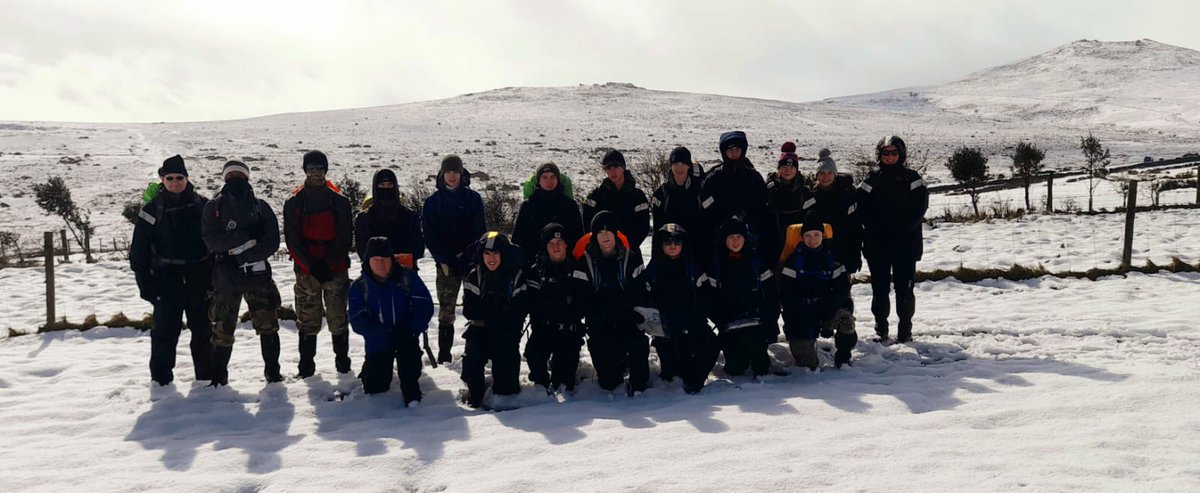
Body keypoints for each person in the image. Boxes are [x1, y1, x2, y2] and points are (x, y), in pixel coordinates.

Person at [129, 155, 213, 386]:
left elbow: (214, 244)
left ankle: (206, 380)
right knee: (165, 331)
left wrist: (214, 278)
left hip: (199, 276)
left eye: (180, 177)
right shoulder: (151, 210)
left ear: (187, 178)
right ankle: (161, 381)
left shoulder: (203, 205)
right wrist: (145, 285)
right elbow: (139, 251)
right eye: (170, 178)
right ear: (162, 179)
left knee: (203, 330)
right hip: (165, 278)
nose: (175, 182)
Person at [201, 160, 283, 385]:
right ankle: (219, 377)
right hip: (226, 278)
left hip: (258, 276)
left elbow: (272, 240)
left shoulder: (260, 206)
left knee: (268, 325)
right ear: (224, 178)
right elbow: (211, 240)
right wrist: (246, 238)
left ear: (247, 177)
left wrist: (242, 254)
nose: (235, 178)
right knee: (222, 328)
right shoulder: (213, 207)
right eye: (231, 175)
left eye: (240, 174)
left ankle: (273, 373)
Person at [283, 150, 354, 378]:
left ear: (326, 170)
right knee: (307, 321)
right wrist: (311, 266)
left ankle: (343, 365)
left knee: (338, 318)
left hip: (335, 269)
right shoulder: (294, 202)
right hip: (306, 272)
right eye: (311, 168)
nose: (315, 173)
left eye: (319, 168)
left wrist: (330, 264)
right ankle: (306, 369)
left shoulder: (339, 201)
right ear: (305, 170)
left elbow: (345, 237)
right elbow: (292, 240)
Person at [858, 135, 928, 343]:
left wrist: (901, 230)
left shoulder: (913, 179)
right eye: (885, 153)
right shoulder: (870, 180)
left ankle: (905, 330)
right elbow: (861, 208)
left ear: (901, 154)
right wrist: (875, 229)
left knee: (904, 290)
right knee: (879, 289)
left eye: (893, 153)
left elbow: (919, 209)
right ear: (879, 155)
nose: (889, 157)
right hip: (877, 244)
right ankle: (881, 328)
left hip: (905, 244)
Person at [349, 237, 435, 406]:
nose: (381, 264)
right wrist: (382, 332)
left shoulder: (407, 277)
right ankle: (371, 368)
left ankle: (412, 396)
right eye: (376, 260)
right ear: (368, 261)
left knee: (410, 377)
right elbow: (357, 320)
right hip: (378, 341)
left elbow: (424, 305)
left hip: (406, 335)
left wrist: (411, 329)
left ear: (392, 259)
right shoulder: (359, 286)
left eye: (385, 259)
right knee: (376, 387)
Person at [634, 223, 719, 394]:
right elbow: (645, 301)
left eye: (677, 242)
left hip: (691, 325)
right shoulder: (653, 270)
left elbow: (706, 298)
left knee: (712, 343)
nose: (672, 246)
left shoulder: (693, 268)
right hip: (666, 330)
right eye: (668, 242)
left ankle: (695, 383)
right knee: (672, 371)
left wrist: (697, 319)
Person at [573, 211, 649, 396]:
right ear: (594, 236)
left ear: (615, 233)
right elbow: (581, 298)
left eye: (609, 231)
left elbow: (640, 292)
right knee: (608, 382)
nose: (605, 236)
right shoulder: (584, 262)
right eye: (600, 232)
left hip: (627, 320)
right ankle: (617, 361)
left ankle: (632, 368)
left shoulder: (632, 258)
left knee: (641, 379)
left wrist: (632, 313)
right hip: (600, 324)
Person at [422, 154, 486, 363]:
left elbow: (479, 232)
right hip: (445, 265)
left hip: (470, 263)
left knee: (475, 308)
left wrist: (467, 257)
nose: (451, 176)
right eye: (447, 172)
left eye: (455, 172)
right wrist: (445, 259)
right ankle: (443, 355)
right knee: (446, 310)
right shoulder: (432, 202)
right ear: (442, 174)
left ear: (461, 174)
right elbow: (430, 235)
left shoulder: (473, 199)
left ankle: (475, 351)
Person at [702, 217, 778, 379]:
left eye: (739, 237)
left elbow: (772, 295)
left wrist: (769, 321)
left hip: (756, 321)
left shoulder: (757, 262)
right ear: (724, 240)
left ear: (746, 238)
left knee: (761, 368)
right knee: (735, 369)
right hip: (729, 323)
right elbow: (709, 300)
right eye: (731, 237)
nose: (735, 241)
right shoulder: (716, 266)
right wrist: (721, 321)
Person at [777, 215, 855, 370]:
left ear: (823, 236)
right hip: (802, 311)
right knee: (807, 363)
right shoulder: (792, 261)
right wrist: (804, 314)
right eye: (807, 235)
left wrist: (826, 310)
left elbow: (842, 289)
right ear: (802, 237)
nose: (812, 239)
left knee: (846, 321)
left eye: (816, 235)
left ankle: (843, 358)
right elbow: (787, 294)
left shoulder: (834, 258)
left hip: (828, 307)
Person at [460, 232, 529, 409]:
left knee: (507, 390)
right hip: (480, 332)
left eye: (496, 253)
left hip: (506, 333)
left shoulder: (516, 276)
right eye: (487, 254)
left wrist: (492, 312)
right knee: (472, 370)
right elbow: (470, 310)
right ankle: (474, 391)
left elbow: (519, 310)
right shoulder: (474, 276)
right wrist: (499, 310)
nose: (491, 258)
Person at [524, 223, 586, 395]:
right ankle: (541, 386)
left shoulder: (578, 268)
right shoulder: (536, 271)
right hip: (544, 327)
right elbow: (531, 302)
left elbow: (582, 302)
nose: (556, 247)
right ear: (545, 247)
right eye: (551, 243)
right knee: (534, 355)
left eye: (559, 242)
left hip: (568, 330)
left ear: (566, 244)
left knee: (564, 382)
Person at [699, 131, 768, 248]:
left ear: (743, 150)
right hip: (720, 231)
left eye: (737, 149)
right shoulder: (714, 177)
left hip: (749, 232)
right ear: (724, 152)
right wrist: (722, 221)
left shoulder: (753, 176)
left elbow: (762, 203)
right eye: (730, 150)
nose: (734, 153)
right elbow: (706, 204)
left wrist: (748, 221)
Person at [803, 148, 863, 276]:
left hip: (844, 251)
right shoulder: (811, 197)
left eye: (830, 173)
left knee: (842, 290)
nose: (826, 177)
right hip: (819, 252)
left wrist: (855, 254)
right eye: (822, 173)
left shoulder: (847, 194)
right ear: (817, 175)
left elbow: (856, 227)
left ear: (835, 174)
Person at [512, 162, 584, 264]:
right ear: (538, 181)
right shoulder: (528, 206)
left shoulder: (569, 205)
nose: (549, 181)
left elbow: (578, 237)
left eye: (552, 177)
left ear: (558, 180)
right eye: (544, 177)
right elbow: (518, 240)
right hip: (534, 264)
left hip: (565, 263)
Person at [582, 150, 652, 252]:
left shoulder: (637, 196)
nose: (612, 171)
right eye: (608, 168)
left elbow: (643, 227)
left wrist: (627, 246)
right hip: (602, 252)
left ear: (623, 168)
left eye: (616, 167)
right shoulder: (596, 196)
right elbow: (588, 224)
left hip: (630, 251)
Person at [650, 146, 709, 263]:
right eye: (676, 163)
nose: (679, 167)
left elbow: (708, 223)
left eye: (683, 163)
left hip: (695, 251)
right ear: (671, 166)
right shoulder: (661, 193)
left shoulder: (701, 190)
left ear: (689, 166)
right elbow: (657, 230)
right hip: (670, 250)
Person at [354, 169, 424, 265]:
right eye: (382, 185)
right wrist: (381, 261)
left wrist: (400, 259)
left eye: (389, 184)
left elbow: (418, 248)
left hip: (405, 271)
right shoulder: (364, 218)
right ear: (375, 187)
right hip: (375, 273)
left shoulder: (409, 216)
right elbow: (362, 250)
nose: (386, 188)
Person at [762, 141, 809, 264]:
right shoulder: (769, 189)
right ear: (778, 169)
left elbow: (811, 216)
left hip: (798, 242)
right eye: (784, 168)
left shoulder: (805, 192)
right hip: (772, 241)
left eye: (791, 168)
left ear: (796, 170)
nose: (787, 171)